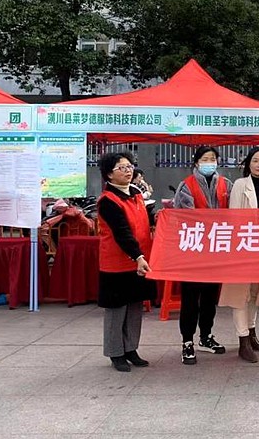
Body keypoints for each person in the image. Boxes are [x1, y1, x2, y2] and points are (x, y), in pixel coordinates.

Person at [96, 152, 156, 372]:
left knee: (135, 306)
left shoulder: (136, 193)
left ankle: (131, 348)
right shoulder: (107, 201)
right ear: (109, 174)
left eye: (130, 166)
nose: (128, 171)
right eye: (122, 168)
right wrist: (138, 256)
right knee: (116, 309)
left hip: (139, 261)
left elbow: (144, 222)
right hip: (117, 263)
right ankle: (115, 353)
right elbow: (122, 233)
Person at [173, 146, 232, 365]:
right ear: (197, 162)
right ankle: (187, 341)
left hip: (216, 251)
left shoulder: (226, 184)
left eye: (213, 159)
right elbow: (185, 216)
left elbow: (234, 213)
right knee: (190, 298)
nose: (209, 162)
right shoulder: (186, 185)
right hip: (194, 250)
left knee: (209, 297)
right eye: (205, 159)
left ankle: (206, 336)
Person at [218, 146, 259, 362]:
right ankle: (243, 340)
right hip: (244, 244)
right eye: (256, 161)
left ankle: (252, 333)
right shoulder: (240, 185)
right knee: (240, 294)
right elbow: (234, 217)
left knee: (255, 292)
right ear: (248, 164)